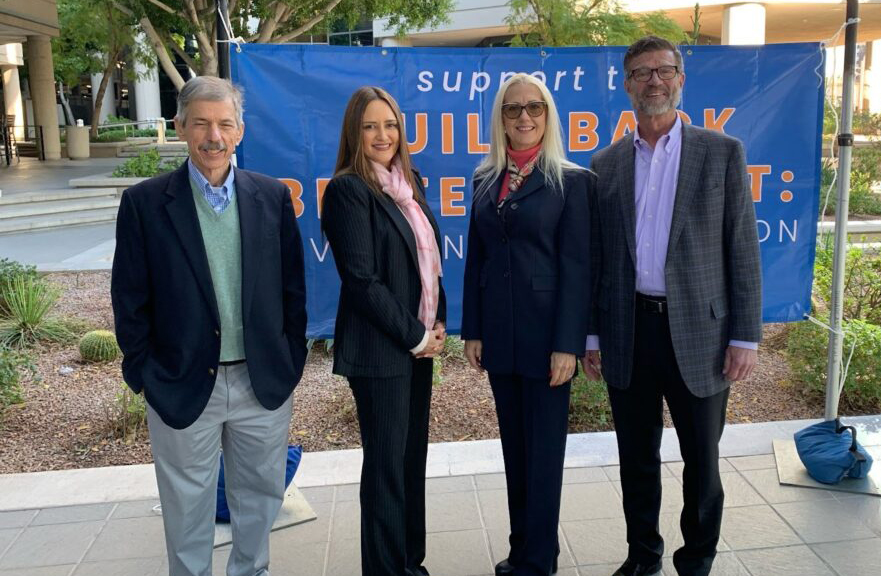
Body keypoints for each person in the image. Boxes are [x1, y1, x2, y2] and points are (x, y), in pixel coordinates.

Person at [111, 75, 307, 576]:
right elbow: (129, 299)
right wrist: (144, 374)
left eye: (224, 124)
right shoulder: (145, 204)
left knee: (260, 495)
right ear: (180, 127)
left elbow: (293, 290)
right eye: (200, 123)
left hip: (261, 380)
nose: (213, 136)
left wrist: (289, 363)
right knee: (186, 507)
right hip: (180, 380)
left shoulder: (270, 197)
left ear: (240, 131)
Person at [582, 36, 763, 576]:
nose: (653, 81)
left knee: (701, 462)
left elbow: (743, 248)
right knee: (636, 460)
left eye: (663, 70)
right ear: (626, 84)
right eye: (641, 73)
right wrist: (592, 337)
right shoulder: (605, 163)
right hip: (628, 331)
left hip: (702, 335)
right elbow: (599, 261)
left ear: (681, 78)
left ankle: (697, 560)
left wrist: (744, 336)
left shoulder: (721, 152)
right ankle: (644, 558)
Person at [462, 73, 590, 576]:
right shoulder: (484, 180)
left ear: (548, 115)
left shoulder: (571, 181)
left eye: (534, 108)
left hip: (546, 342)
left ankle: (539, 562)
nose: (524, 117)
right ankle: (522, 552)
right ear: (500, 117)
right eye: (513, 109)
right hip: (499, 336)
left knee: (543, 457)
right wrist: (473, 330)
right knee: (515, 452)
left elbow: (577, 269)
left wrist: (568, 345)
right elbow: (477, 261)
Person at [321, 86, 446, 576]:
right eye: (370, 125)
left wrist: (436, 326)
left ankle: (409, 564)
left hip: (417, 348)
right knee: (386, 471)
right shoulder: (349, 189)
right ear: (355, 131)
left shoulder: (407, 183)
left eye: (390, 124)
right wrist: (416, 335)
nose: (382, 135)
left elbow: (428, 266)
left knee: (410, 463)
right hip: (381, 352)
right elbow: (361, 280)